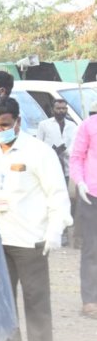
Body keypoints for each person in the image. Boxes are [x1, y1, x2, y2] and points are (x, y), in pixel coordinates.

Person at [0, 97, 72, 341]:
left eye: (4, 124)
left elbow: (57, 194)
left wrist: (55, 230)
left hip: (31, 238)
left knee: (35, 298)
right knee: (3, 300)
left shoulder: (38, 152)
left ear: (17, 122)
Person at [70, 110, 97, 318]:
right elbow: (76, 157)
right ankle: (89, 300)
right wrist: (79, 182)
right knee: (91, 248)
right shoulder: (89, 125)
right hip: (92, 195)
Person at [37, 99, 77, 179]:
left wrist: (65, 151)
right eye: (58, 108)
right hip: (50, 167)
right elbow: (38, 146)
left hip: (68, 168)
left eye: (63, 108)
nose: (61, 111)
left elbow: (75, 145)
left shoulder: (72, 126)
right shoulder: (44, 125)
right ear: (53, 110)